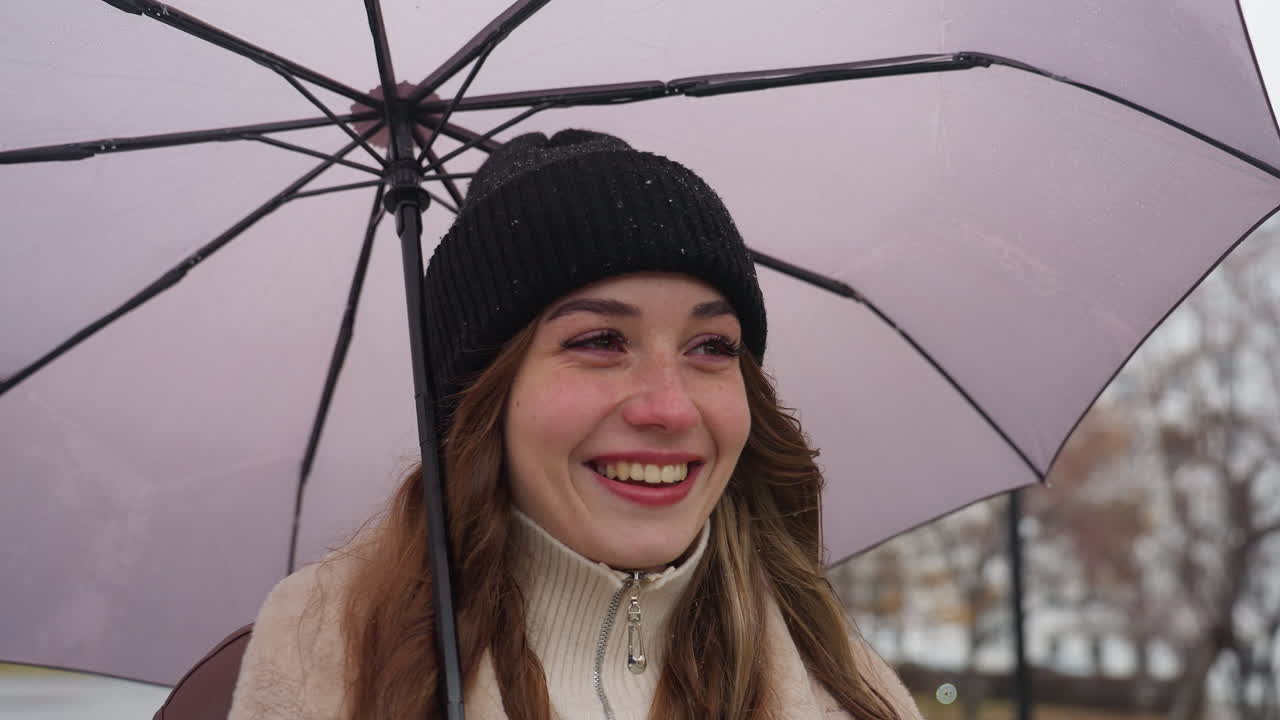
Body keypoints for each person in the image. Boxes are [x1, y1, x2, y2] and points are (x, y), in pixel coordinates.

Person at [228, 130, 922, 720]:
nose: (670, 409)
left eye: (711, 347)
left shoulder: (850, 690)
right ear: (482, 395)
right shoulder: (322, 652)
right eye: (600, 342)